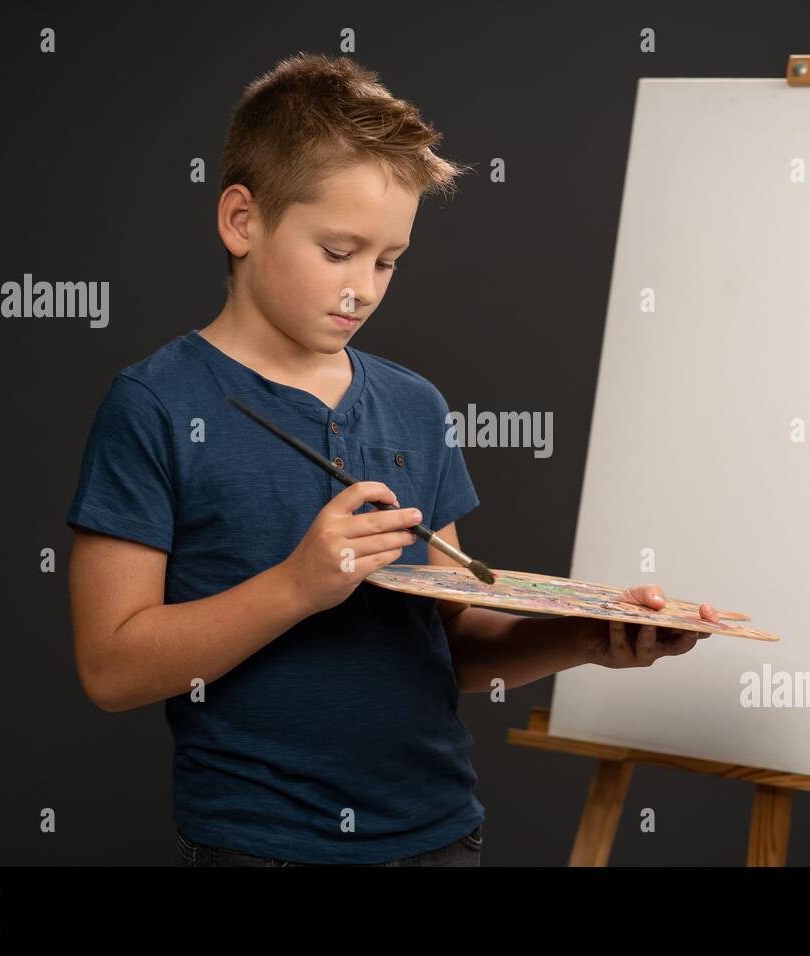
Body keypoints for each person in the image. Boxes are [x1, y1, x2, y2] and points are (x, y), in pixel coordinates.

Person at [66, 52, 723, 868]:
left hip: (441, 834)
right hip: (262, 847)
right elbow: (111, 667)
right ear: (242, 220)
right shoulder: (155, 405)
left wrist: (583, 640)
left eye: (387, 262)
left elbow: (449, 642)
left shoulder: (415, 405)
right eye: (338, 251)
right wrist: (297, 586)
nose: (365, 289)